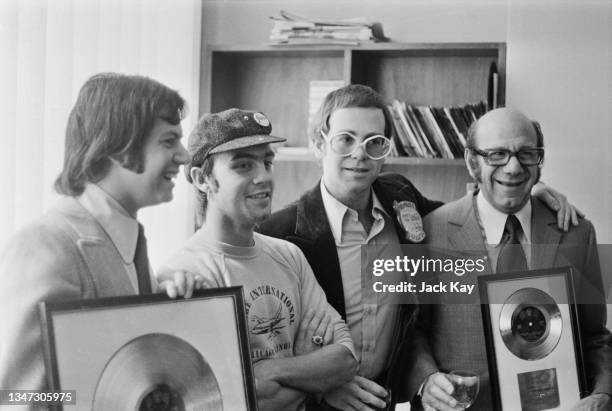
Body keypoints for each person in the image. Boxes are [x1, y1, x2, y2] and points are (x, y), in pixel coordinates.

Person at [258, 85, 582, 410]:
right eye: (346, 139)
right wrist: (323, 386)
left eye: (374, 142)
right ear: (318, 144)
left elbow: (465, 214)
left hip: (389, 399)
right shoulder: (280, 235)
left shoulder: (401, 196)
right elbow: (266, 352)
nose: (360, 154)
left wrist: (527, 191)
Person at [408, 107, 612, 411]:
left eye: (526, 153)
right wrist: (426, 379)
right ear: (471, 162)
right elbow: (411, 331)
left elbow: (595, 336)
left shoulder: (576, 233)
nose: (514, 167)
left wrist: (603, 394)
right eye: (497, 154)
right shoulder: (431, 233)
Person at [157, 108, 357, 411]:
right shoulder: (185, 275)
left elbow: (344, 359)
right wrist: (310, 372)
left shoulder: (289, 255)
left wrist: (272, 370)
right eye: (243, 165)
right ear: (201, 179)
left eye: (267, 162)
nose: (263, 177)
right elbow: (226, 400)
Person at [0, 73, 190, 392]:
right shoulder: (45, 245)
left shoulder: (129, 242)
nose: (185, 156)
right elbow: (14, 396)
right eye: (169, 141)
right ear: (119, 147)